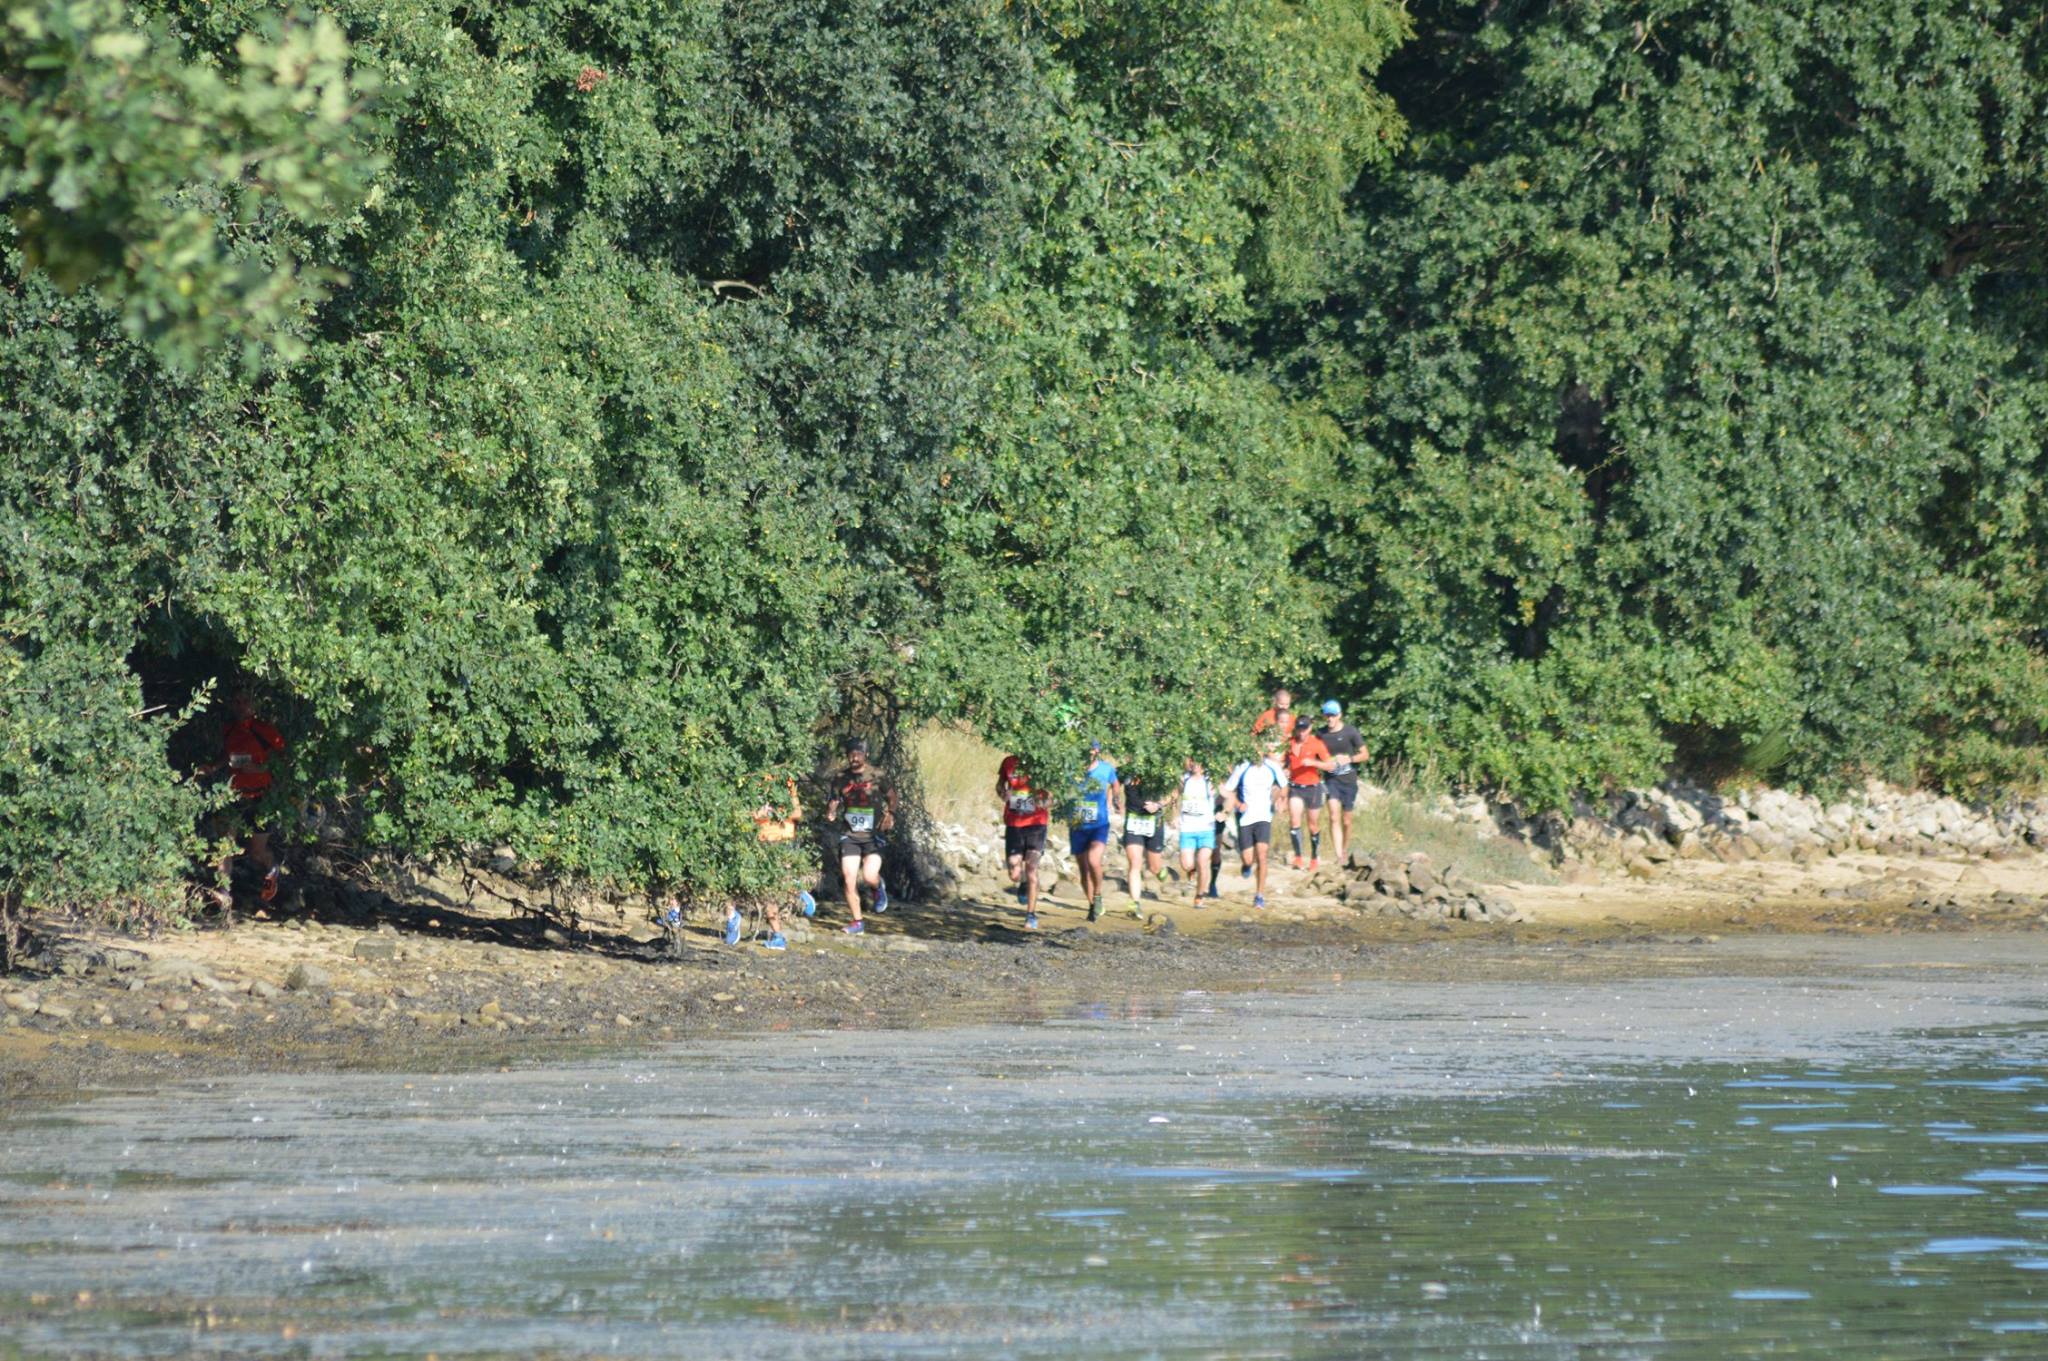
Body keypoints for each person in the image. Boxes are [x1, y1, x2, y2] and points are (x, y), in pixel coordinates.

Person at [202, 691, 286, 904]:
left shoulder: (265, 731)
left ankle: (273, 870)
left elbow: (284, 763)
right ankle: (224, 892)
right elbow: (228, 755)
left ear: (255, 704)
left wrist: (259, 769)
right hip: (235, 796)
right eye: (237, 701)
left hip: (262, 798)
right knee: (225, 845)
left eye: (246, 701)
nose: (241, 706)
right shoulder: (229, 729)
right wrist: (213, 767)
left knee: (256, 853)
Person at [824, 740, 896, 934]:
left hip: (872, 835)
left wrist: (890, 814)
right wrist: (831, 810)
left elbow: (892, 796)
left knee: (870, 876)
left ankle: (877, 886)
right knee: (849, 879)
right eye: (851, 754)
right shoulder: (841, 778)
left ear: (866, 755)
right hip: (850, 835)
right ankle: (858, 922)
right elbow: (834, 799)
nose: (854, 758)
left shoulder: (877, 775)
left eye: (858, 754)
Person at [745, 778, 817, 950]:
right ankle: (778, 936)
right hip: (762, 842)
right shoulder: (752, 779)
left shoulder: (786, 781)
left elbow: (797, 813)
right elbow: (745, 813)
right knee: (766, 893)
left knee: (774, 888)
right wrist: (757, 814)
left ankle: (797, 890)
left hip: (783, 841)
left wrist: (775, 812)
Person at [1225, 740, 1285, 907]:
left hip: (1264, 817)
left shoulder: (1272, 766)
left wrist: (1280, 799)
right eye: (1253, 749)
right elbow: (1228, 790)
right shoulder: (1242, 767)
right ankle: (1246, 866)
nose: (1256, 752)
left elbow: (1284, 786)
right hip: (1245, 818)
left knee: (1263, 856)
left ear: (1263, 750)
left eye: (1259, 749)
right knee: (1248, 858)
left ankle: (1259, 895)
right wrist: (1238, 804)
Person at [996, 752, 1050, 930]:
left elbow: (1051, 796)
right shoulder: (1008, 762)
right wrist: (1003, 794)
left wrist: (1043, 801)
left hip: (1037, 824)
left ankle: (1030, 915)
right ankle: (1023, 882)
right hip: (1014, 824)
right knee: (1014, 872)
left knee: (1032, 868)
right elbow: (1000, 785)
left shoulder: (1042, 760)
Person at [1069, 739, 1120, 922]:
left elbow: (1115, 783)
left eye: (1091, 749)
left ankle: (1097, 894)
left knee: (1093, 860)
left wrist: (1115, 799)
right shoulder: (1072, 768)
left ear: (1097, 751)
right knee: (1083, 869)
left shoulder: (1106, 768)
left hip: (1099, 823)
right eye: (1085, 749)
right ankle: (1092, 905)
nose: (1088, 752)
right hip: (1077, 823)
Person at [1317, 700, 1367, 867]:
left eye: (1333, 715)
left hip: (1349, 781)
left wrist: (1349, 759)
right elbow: (1315, 754)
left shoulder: (1350, 731)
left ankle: (1344, 850)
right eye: (1327, 715)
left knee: (1346, 821)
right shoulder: (1321, 734)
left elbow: (1365, 754)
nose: (1330, 719)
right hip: (1331, 780)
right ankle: (1339, 856)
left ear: (1339, 715)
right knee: (1333, 815)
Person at [1285, 714, 1334, 869]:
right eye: (1299, 729)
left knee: (1312, 824)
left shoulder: (1317, 744)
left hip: (1313, 788)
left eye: (1304, 729)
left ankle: (1314, 857)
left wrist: (1314, 762)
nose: (1302, 732)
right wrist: (1285, 770)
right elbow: (1285, 762)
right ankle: (1298, 857)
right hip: (1295, 787)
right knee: (1294, 821)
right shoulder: (1290, 743)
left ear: (1310, 728)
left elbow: (1330, 765)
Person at [1120, 775, 1167, 917]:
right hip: (1133, 822)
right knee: (1135, 862)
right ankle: (1134, 904)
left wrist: (1157, 805)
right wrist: (1114, 800)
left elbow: (1173, 793)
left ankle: (1159, 871)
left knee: (1154, 867)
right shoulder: (1127, 772)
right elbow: (1113, 783)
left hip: (1154, 822)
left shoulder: (1161, 770)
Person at [1177, 757, 1219, 903]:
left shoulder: (1210, 780)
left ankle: (1199, 896)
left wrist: (1225, 811)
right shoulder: (1184, 779)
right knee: (1186, 865)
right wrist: (1174, 815)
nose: (1196, 764)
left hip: (1206, 828)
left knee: (1202, 861)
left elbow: (1228, 794)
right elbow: (1174, 795)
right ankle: (1193, 870)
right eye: (1193, 761)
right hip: (1187, 828)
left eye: (1199, 762)